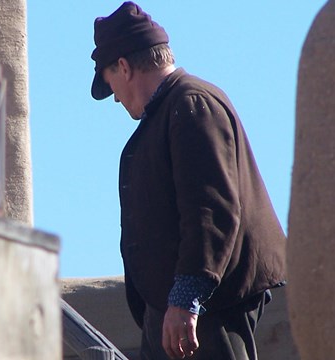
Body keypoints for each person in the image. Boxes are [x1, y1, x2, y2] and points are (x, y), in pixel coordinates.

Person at [90, 2, 287, 359]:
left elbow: (212, 210)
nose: (115, 96)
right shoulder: (174, 109)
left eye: (111, 84)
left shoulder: (192, 104)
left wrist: (187, 298)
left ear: (123, 66)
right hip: (175, 315)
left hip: (205, 313)